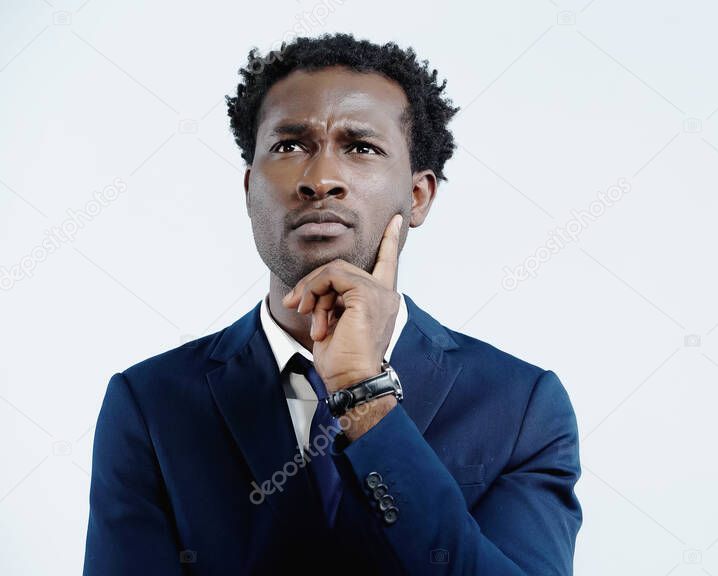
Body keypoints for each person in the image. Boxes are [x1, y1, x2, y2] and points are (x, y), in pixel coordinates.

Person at [84, 33, 582, 574]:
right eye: (290, 145)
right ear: (250, 189)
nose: (320, 179)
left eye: (361, 147)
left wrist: (365, 398)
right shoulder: (150, 403)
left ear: (418, 196)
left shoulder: (521, 406)